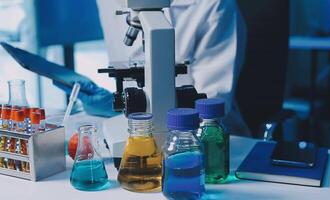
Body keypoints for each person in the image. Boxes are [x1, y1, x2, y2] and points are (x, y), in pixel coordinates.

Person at [55, 0, 250, 136]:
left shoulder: (215, 5)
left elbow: (211, 103)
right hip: (135, 124)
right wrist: (119, 106)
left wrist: (148, 109)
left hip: (206, 138)